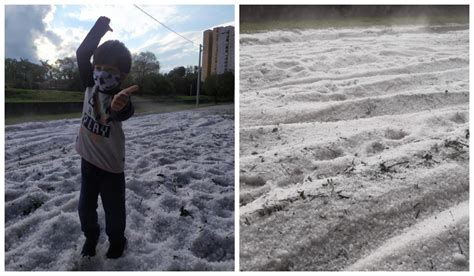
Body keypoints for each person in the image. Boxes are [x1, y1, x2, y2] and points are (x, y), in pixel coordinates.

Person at [75, 16, 138, 259]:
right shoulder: (90, 85)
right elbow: (82, 54)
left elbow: (121, 112)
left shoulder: (120, 97)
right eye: (98, 67)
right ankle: (91, 237)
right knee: (85, 209)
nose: (101, 74)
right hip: (87, 162)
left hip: (111, 169)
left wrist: (120, 105)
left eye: (109, 70)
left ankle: (117, 241)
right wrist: (99, 29)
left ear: (121, 76)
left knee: (115, 212)